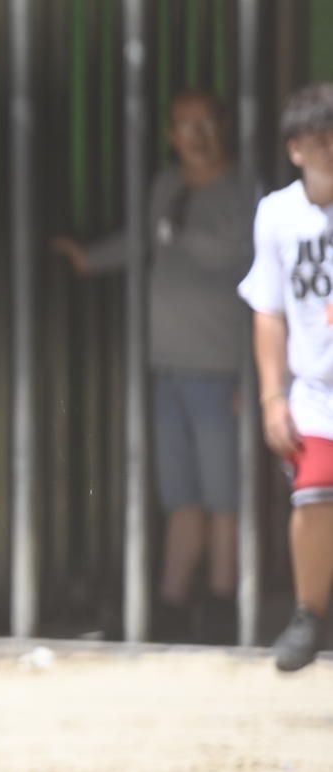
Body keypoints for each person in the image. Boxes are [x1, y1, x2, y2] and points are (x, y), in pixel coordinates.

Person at [54, 90, 254, 643]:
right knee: (181, 495)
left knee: (222, 498)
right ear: (169, 134)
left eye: (203, 124)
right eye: (182, 125)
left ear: (225, 125)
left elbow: (230, 253)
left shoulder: (244, 191)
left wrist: (253, 378)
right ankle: (170, 605)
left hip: (222, 369)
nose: (192, 136)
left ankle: (221, 605)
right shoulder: (166, 187)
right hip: (168, 364)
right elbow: (142, 241)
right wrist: (89, 260)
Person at [238, 83, 333, 672]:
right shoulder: (277, 214)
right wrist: (273, 395)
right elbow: (267, 310)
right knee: (314, 495)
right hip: (316, 390)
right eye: (321, 141)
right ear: (296, 148)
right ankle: (308, 613)